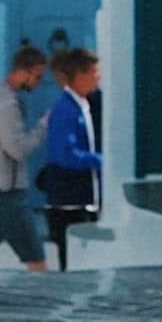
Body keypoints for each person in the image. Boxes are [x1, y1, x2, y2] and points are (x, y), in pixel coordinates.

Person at [36, 45, 104, 269]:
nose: (98, 77)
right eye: (94, 73)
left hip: (79, 198)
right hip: (68, 200)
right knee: (71, 260)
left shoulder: (81, 105)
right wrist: (100, 161)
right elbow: (66, 154)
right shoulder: (65, 110)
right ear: (80, 75)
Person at [0, 41, 51, 270]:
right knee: (35, 256)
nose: (38, 83)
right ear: (22, 71)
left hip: (4, 188)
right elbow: (16, 149)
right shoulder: (7, 104)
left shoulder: (1, 96)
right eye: (36, 76)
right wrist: (43, 126)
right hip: (9, 192)